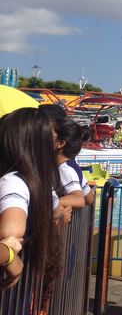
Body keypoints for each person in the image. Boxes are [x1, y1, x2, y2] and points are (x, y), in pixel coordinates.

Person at [0, 108, 64, 293]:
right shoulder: (38, 182)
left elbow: (11, 233)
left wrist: (10, 255)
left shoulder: (13, 181)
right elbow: (58, 210)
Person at [54, 118, 95, 208]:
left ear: (60, 143)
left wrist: (52, 204)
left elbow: (78, 199)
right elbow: (90, 198)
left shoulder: (64, 169)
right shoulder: (72, 166)